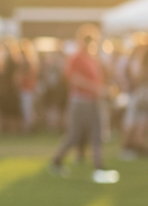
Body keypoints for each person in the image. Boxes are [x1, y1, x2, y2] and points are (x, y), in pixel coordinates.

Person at [49, 26, 118, 183]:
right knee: (75, 134)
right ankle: (57, 160)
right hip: (80, 100)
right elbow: (73, 78)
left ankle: (98, 165)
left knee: (97, 132)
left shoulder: (93, 58)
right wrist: (96, 88)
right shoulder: (77, 57)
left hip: (94, 100)